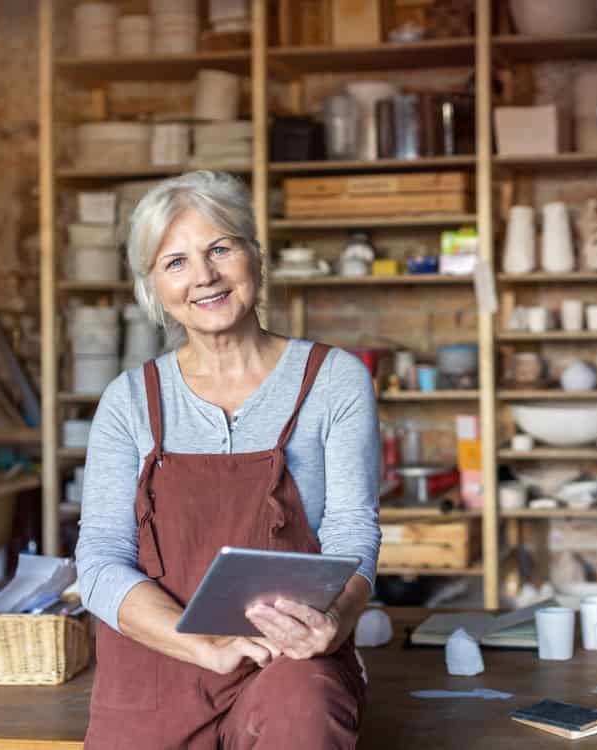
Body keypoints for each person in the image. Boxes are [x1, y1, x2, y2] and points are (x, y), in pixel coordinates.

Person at [75, 170, 381, 748]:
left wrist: (335, 622)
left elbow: (351, 531)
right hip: (158, 661)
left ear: (255, 257)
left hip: (286, 655)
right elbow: (99, 562)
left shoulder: (334, 380)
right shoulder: (129, 401)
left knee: (304, 712)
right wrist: (200, 645)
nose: (204, 277)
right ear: (153, 288)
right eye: (176, 262)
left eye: (220, 248)